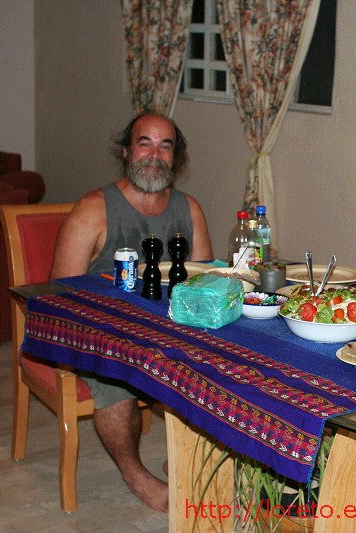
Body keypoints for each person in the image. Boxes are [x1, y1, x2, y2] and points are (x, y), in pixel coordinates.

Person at [51, 111, 213, 512]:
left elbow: (206, 284)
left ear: (175, 157)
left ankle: (185, 456)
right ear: (126, 151)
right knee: (116, 381)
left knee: (218, 368)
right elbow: (60, 294)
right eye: (145, 143)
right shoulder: (94, 209)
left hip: (168, 333)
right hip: (104, 335)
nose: (154, 155)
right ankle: (134, 473)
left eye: (165, 146)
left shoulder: (189, 209)